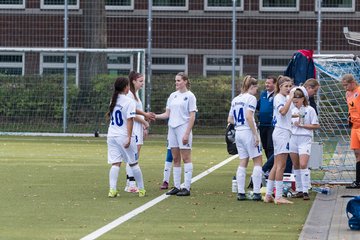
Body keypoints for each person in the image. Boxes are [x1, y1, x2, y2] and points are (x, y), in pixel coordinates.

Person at [155, 72, 197, 197]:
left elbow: (192, 116)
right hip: (172, 129)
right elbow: (167, 114)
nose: (176, 83)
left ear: (185, 81)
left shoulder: (190, 96)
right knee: (175, 158)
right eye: (176, 80)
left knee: (186, 158)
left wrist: (186, 133)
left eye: (179, 80)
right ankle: (177, 186)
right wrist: (154, 116)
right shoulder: (172, 96)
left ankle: (187, 187)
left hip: (183, 128)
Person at [106, 76, 146, 198]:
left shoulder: (113, 99)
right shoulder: (129, 102)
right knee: (134, 163)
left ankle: (112, 190)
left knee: (115, 163)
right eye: (128, 85)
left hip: (111, 135)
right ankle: (141, 189)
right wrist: (129, 137)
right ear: (125, 87)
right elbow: (130, 120)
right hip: (123, 136)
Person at [228, 75, 263, 201]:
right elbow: (249, 117)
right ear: (251, 87)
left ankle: (241, 193)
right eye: (256, 88)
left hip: (239, 132)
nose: (256, 91)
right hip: (248, 131)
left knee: (243, 161)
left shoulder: (236, 99)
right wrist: (255, 134)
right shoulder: (251, 98)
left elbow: (230, 119)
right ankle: (257, 193)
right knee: (258, 161)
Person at [264, 75, 294, 204]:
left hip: (282, 131)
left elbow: (288, 114)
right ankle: (279, 196)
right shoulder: (279, 98)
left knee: (276, 165)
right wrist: (291, 98)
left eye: (290, 86)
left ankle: (268, 194)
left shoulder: (285, 98)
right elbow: (282, 111)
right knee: (281, 165)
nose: (288, 88)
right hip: (282, 133)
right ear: (280, 86)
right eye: (286, 86)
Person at [124, 71, 152, 193]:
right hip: (133, 127)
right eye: (140, 81)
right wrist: (145, 122)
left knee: (135, 156)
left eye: (143, 81)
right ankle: (130, 184)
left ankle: (130, 183)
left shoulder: (136, 94)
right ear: (133, 81)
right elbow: (131, 114)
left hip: (138, 128)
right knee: (133, 156)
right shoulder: (129, 95)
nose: (142, 84)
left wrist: (144, 127)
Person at [289, 88, 320, 200]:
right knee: (295, 165)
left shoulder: (310, 109)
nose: (295, 103)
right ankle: (299, 190)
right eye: (293, 101)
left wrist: (302, 126)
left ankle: (306, 190)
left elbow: (316, 125)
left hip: (305, 139)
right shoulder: (291, 110)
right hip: (293, 139)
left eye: (297, 101)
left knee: (303, 164)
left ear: (302, 99)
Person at [342, 74, 360, 189]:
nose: (345, 88)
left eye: (346, 85)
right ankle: (358, 181)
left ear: (352, 82)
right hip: (354, 126)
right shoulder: (348, 94)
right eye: (343, 86)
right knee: (357, 153)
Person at [257, 75, 276, 160]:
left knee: (270, 146)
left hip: (271, 125)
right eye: (266, 83)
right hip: (262, 124)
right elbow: (258, 106)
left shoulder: (277, 95)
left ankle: (271, 167)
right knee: (265, 146)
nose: (266, 84)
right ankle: (269, 165)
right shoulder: (263, 94)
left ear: (275, 84)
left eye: (269, 83)